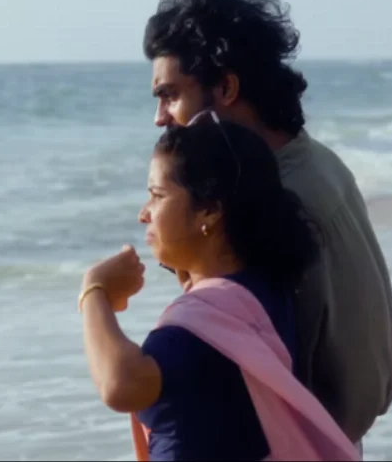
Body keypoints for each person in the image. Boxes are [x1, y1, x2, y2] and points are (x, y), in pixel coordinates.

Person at [142, 0, 392, 448]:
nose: (160, 118)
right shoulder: (317, 160)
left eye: (170, 95)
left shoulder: (272, 200)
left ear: (226, 89)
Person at [79, 119, 360, 461]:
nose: (144, 214)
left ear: (210, 210)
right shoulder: (267, 289)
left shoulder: (201, 323)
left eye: (157, 195)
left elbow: (120, 386)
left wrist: (94, 291)